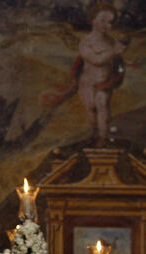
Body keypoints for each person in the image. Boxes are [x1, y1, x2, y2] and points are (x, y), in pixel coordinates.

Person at [40, 3, 127, 147]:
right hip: (86, 83)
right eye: (103, 20)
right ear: (93, 20)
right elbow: (96, 60)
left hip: (103, 82)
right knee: (91, 109)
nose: (107, 25)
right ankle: (95, 133)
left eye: (110, 22)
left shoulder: (111, 42)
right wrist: (113, 51)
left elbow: (117, 63)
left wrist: (114, 77)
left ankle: (103, 138)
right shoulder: (86, 42)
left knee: (102, 104)